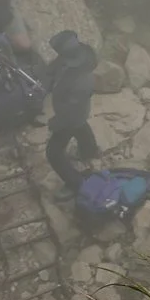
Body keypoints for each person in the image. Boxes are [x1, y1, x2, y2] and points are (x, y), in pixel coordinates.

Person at [43, 30, 101, 188]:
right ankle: (90, 151)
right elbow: (53, 69)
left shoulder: (81, 82)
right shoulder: (76, 59)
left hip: (71, 115)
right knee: (81, 126)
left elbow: (71, 114)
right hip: (77, 114)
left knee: (53, 153)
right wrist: (45, 80)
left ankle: (76, 183)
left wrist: (57, 122)